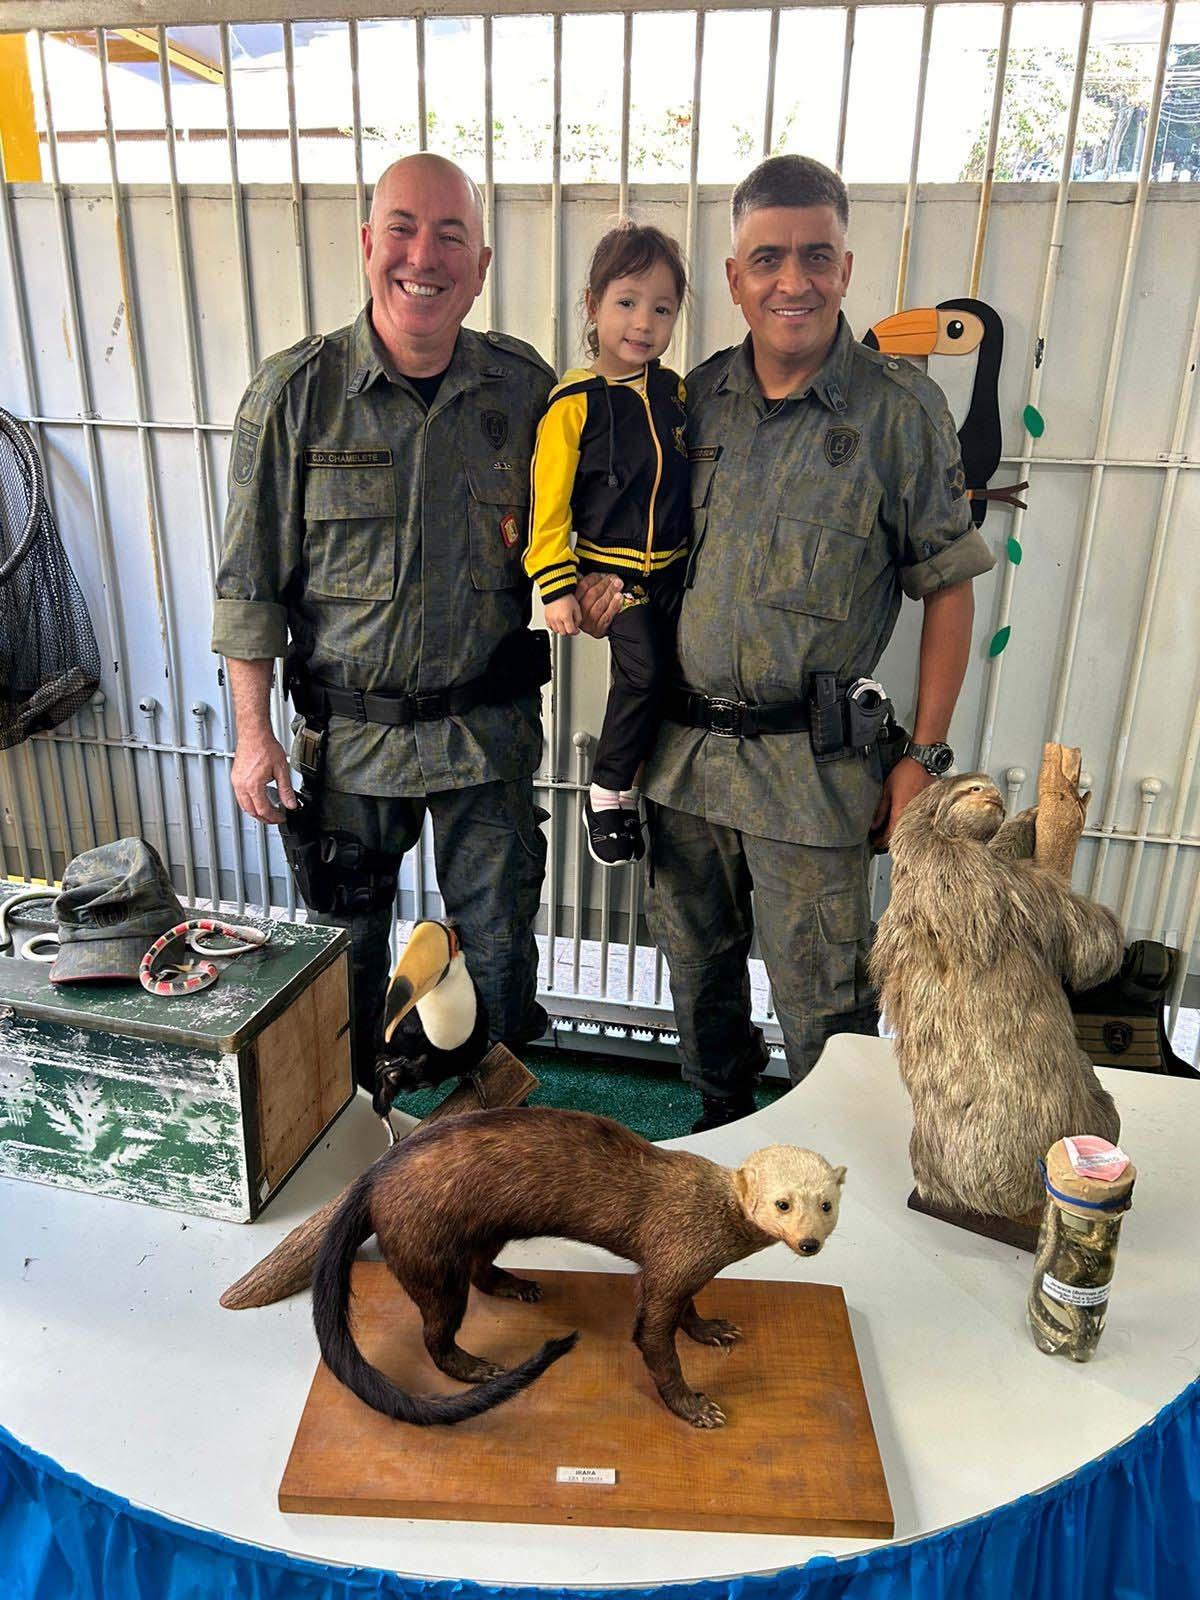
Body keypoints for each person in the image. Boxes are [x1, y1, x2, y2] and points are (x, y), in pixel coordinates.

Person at [579, 155, 996, 1131]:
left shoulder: (899, 413)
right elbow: (637, 545)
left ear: (846, 267)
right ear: (735, 278)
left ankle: (832, 1171)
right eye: (767, 258)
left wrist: (925, 757)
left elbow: (947, 589)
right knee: (698, 982)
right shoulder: (688, 402)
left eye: (816, 256)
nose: (792, 280)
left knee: (825, 1009)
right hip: (683, 763)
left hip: (813, 776)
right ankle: (721, 1136)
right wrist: (598, 594)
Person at [211, 154, 555, 1097]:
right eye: (402, 229)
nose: (423, 256)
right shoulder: (295, 395)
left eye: (451, 236)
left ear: (480, 266)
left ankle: (489, 1146)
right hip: (351, 750)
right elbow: (249, 584)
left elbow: (586, 529)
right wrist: (252, 736)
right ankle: (358, 1138)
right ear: (368, 244)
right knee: (347, 969)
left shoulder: (527, 394)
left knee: (496, 964)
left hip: (484, 742)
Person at [524, 222, 690, 868]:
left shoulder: (675, 394)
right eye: (626, 302)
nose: (643, 322)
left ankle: (635, 791)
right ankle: (605, 789)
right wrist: (556, 585)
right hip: (612, 579)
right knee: (643, 670)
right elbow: (548, 504)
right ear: (593, 305)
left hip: (677, 572)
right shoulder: (574, 402)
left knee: (669, 679)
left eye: (662, 308)